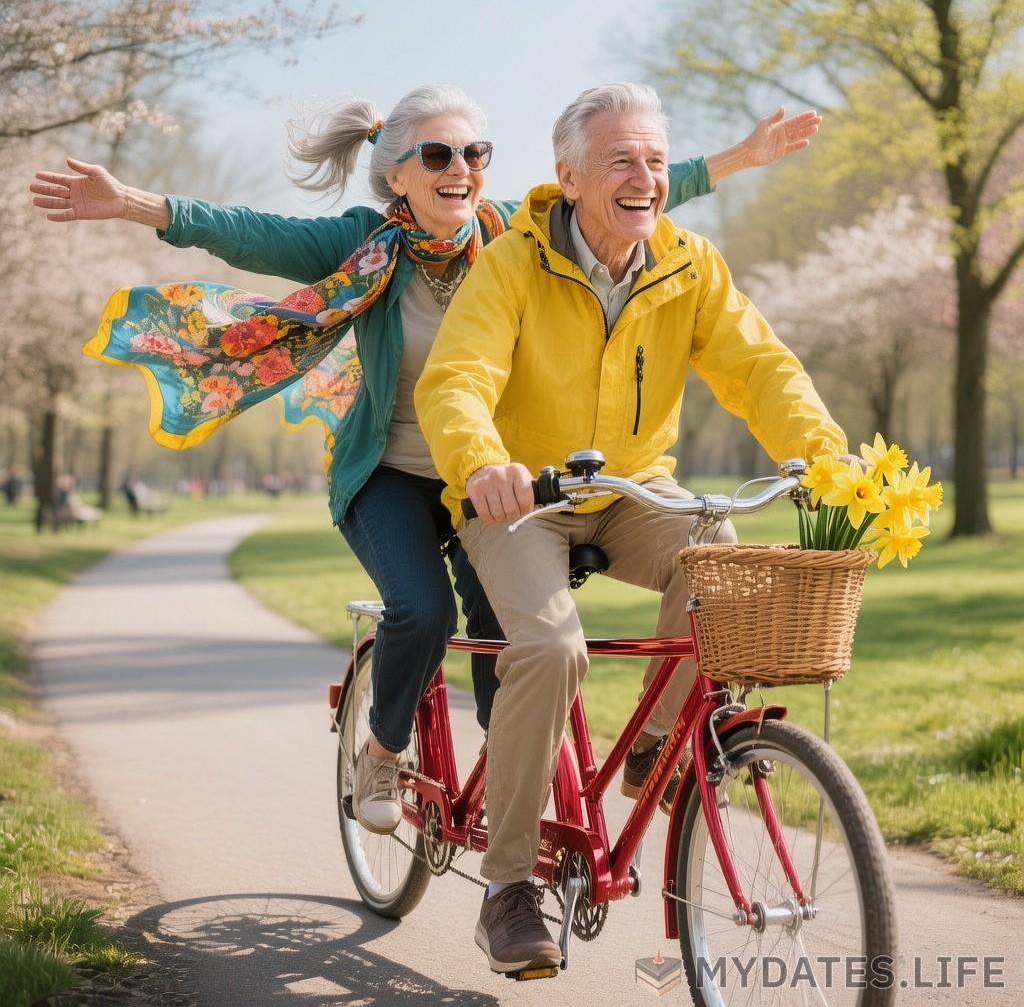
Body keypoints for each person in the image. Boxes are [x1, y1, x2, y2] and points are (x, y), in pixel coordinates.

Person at [31, 84, 820, 841]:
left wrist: (738, 159)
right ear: (396, 175)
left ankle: (507, 777)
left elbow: (634, 186)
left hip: (496, 474)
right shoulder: (358, 246)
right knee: (424, 612)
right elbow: (245, 229)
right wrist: (132, 202)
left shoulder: (510, 232)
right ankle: (382, 750)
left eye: (475, 152)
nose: (461, 170)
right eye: (438, 155)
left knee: (508, 628)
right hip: (394, 475)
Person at [414, 82, 849, 975]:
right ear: (570, 177)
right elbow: (457, 378)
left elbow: (760, 366)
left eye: (655, 160)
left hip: (634, 491)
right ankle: (508, 888)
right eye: (622, 160)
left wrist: (825, 454)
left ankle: (654, 755)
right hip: (521, 498)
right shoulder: (512, 265)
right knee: (548, 648)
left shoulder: (689, 264)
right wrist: (481, 462)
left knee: (722, 562)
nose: (645, 177)